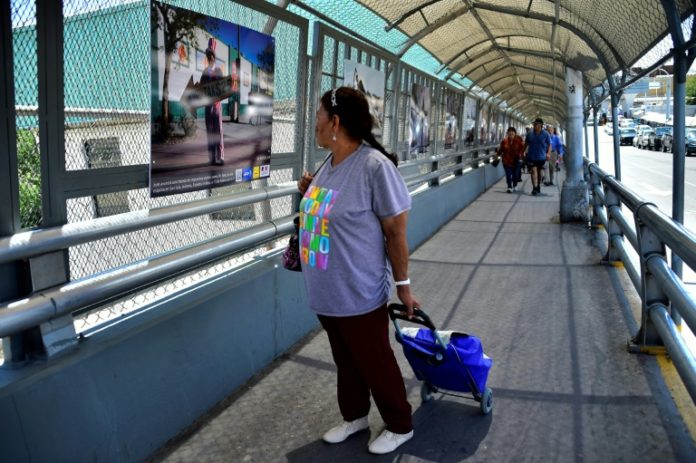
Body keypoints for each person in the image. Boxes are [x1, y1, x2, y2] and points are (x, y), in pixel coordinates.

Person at [297, 87, 420, 455]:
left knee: (374, 359)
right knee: (345, 359)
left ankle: (400, 424)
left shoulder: (373, 167)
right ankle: (355, 417)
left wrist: (404, 286)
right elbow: (333, 209)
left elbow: (396, 230)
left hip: (358, 289)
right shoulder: (327, 163)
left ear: (335, 122)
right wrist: (310, 190)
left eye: (318, 117)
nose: (314, 124)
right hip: (327, 291)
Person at [200, 38, 224, 165]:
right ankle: (212, 158)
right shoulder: (204, 72)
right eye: (207, 55)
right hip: (207, 107)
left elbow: (223, 88)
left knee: (218, 132)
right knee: (210, 132)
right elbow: (201, 89)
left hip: (217, 106)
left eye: (211, 55)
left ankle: (220, 157)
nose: (209, 57)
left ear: (214, 56)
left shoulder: (219, 71)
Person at [524, 118, 551, 195]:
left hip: (541, 157)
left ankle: (538, 185)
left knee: (539, 172)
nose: (534, 125)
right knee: (533, 171)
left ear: (541, 126)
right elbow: (526, 144)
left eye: (536, 124)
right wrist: (522, 151)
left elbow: (549, 145)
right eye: (534, 124)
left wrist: (548, 153)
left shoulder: (546, 134)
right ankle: (534, 187)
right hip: (531, 156)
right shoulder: (529, 134)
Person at [498, 126, 525, 193]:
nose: (511, 135)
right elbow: (501, 150)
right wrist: (497, 155)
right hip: (507, 160)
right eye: (509, 134)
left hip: (516, 160)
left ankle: (515, 185)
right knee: (508, 174)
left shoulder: (519, 140)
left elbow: (522, 149)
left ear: (515, 133)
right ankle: (509, 186)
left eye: (512, 134)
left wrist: (522, 156)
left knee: (515, 174)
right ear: (507, 134)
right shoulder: (504, 141)